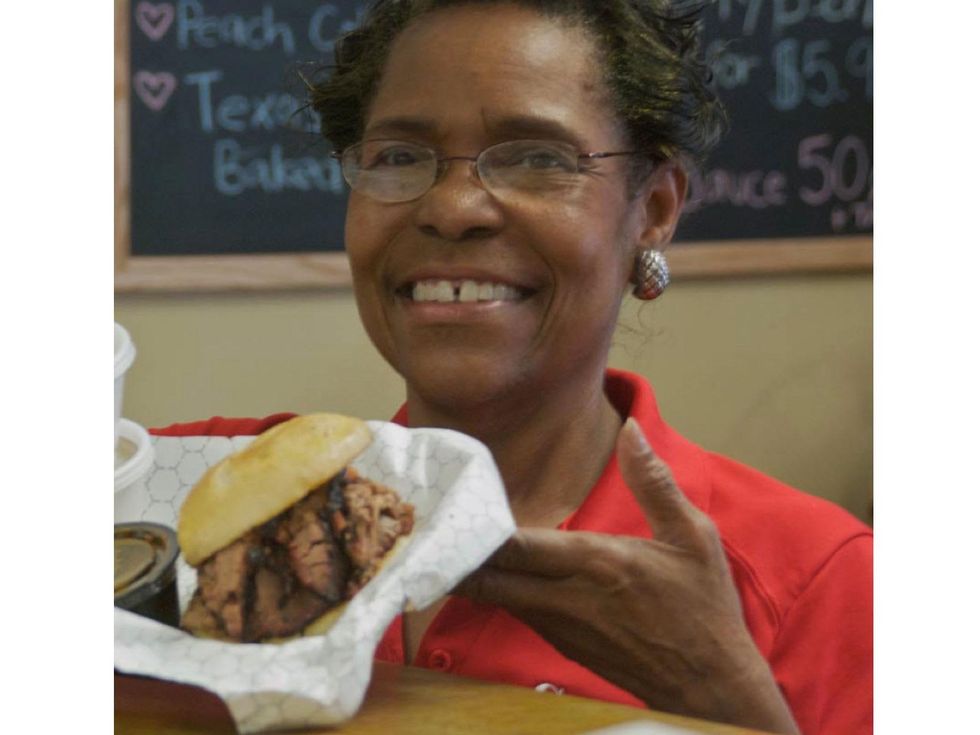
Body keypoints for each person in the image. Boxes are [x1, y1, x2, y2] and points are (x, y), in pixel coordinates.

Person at [156, 1, 872, 733]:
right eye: (399, 156)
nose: (454, 206)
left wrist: (719, 695)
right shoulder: (194, 502)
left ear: (654, 207)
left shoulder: (821, 580)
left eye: (538, 158)